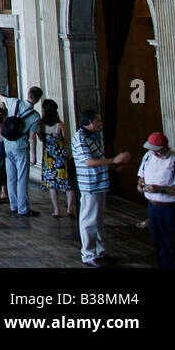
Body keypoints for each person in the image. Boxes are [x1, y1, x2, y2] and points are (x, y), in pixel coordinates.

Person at [71, 109, 129, 267]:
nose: (101, 123)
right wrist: (113, 161)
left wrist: (114, 166)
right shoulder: (81, 138)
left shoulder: (90, 138)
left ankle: (99, 252)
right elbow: (89, 162)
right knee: (89, 220)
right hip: (90, 185)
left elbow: (98, 159)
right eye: (99, 120)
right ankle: (89, 254)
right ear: (91, 122)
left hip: (98, 184)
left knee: (97, 220)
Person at [0, 85, 42, 217]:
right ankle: (23, 208)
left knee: (11, 176)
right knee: (21, 177)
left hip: (7, 144)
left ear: (27, 93)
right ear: (38, 100)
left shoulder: (14, 102)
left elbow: (0, 97)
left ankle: (14, 205)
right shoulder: (35, 116)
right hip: (21, 146)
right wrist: (34, 155)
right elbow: (33, 137)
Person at [136, 132, 175, 268]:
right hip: (153, 208)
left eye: (157, 151)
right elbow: (141, 176)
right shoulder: (148, 156)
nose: (154, 153)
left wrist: (159, 189)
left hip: (171, 209)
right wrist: (141, 185)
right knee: (159, 244)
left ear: (165, 147)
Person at [38, 99, 75, 217]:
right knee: (68, 183)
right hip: (61, 155)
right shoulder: (60, 125)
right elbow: (65, 141)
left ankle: (57, 210)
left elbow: (41, 139)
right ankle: (69, 208)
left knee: (51, 184)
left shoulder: (41, 125)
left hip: (49, 157)